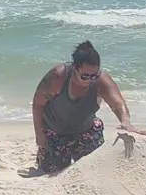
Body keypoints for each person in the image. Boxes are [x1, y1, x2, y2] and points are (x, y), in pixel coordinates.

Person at [31, 40, 132, 174]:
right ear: (75, 68)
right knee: (52, 172)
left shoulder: (101, 81)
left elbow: (118, 104)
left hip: (85, 130)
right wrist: (39, 134)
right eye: (85, 76)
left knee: (94, 169)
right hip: (55, 131)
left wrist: (125, 121)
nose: (90, 80)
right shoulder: (58, 76)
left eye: (94, 75)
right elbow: (38, 103)